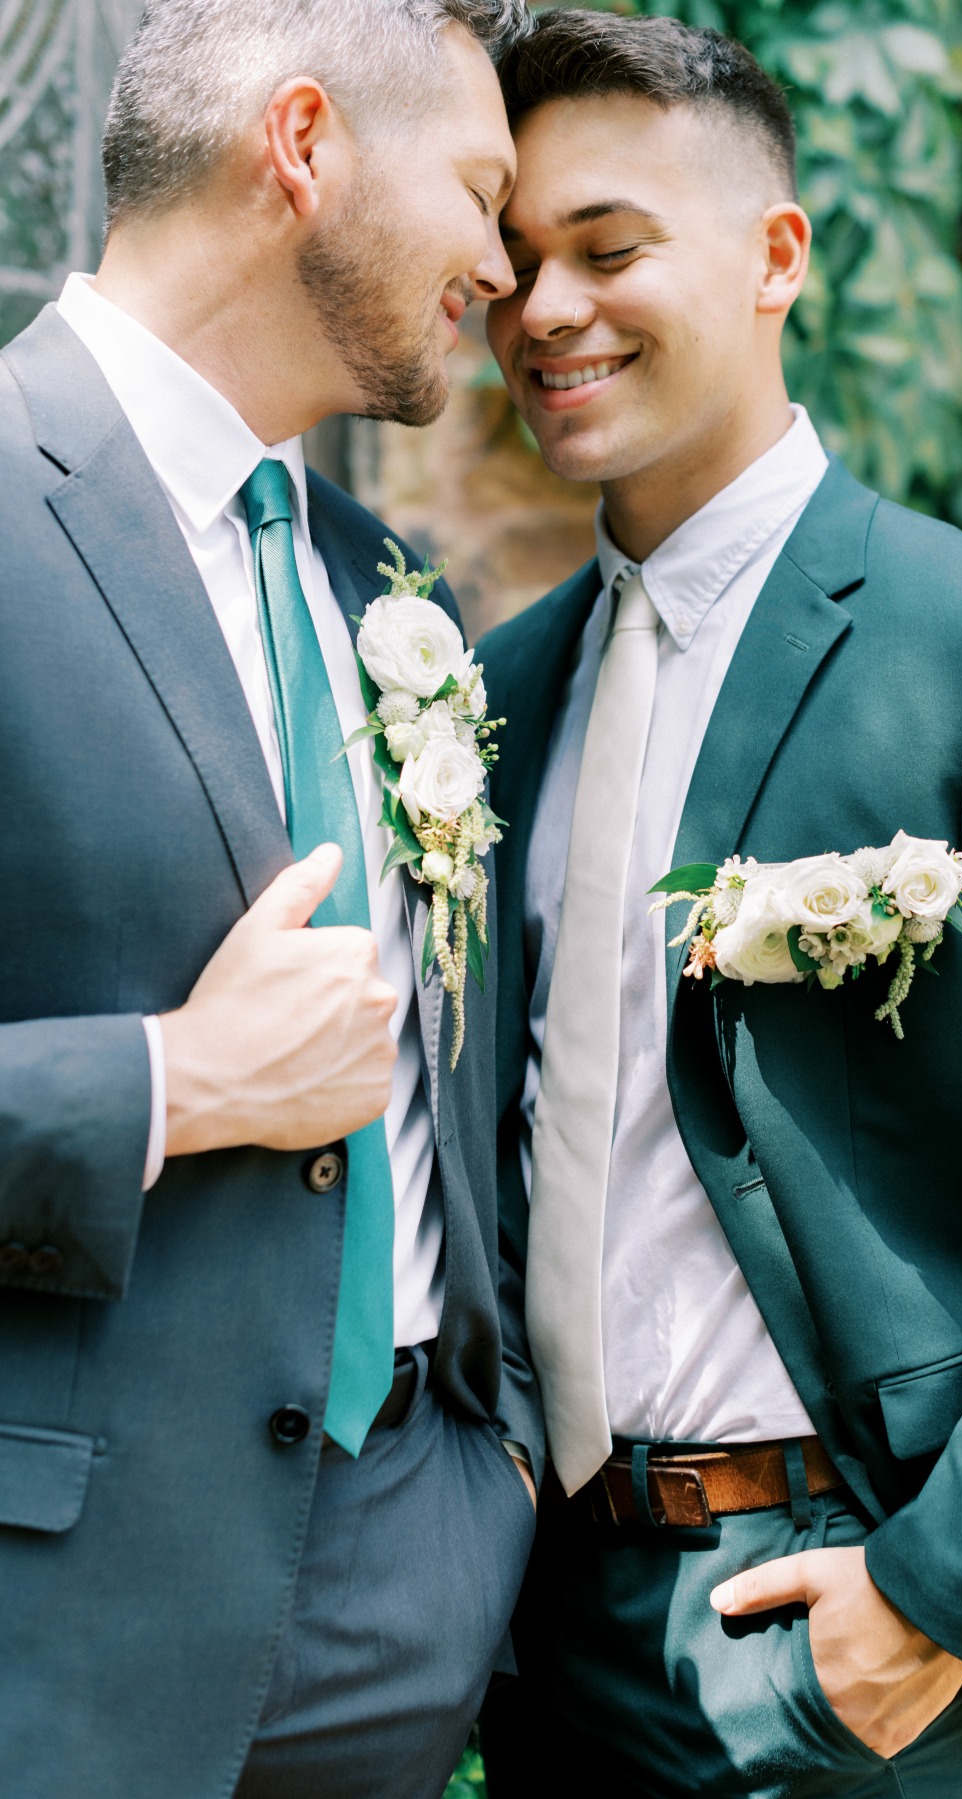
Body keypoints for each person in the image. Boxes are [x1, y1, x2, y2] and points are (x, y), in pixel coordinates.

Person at [476, 12, 962, 1797]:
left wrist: (941, 1593)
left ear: (777, 255)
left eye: (610, 249)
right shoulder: (494, 693)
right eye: (514, 265)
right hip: (527, 1617)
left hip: (833, 1615)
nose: (545, 310)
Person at [0, 2, 542, 1795]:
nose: (503, 264)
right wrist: (172, 1085)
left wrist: (487, 1487)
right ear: (301, 146)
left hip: (411, 1588)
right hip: (53, 1626)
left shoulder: (386, 583)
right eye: (479, 193)